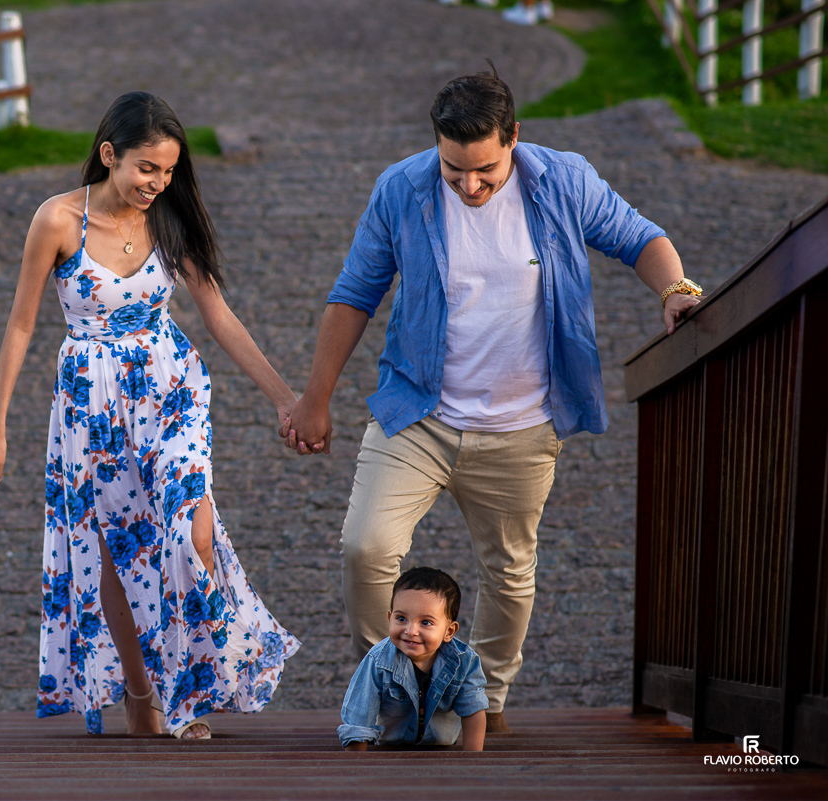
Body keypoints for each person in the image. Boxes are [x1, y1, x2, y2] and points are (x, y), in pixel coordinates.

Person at [283, 66, 702, 733]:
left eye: (485, 170)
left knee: (508, 570)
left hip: (522, 425)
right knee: (365, 545)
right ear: (437, 148)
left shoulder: (563, 180)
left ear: (514, 137)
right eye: (455, 170)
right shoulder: (402, 189)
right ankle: (389, 693)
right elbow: (354, 293)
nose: (470, 185)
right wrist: (315, 398)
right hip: (418, 413)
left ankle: (487, 701)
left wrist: (675, 287)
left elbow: (639, 237)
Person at [0, 91, 301, 740]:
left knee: (190, 533)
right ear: (108, 156)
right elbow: (19, 325)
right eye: (146, 169)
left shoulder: (168, 219)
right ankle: (139, 688)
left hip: (170, 390)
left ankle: (193, 685)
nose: (159, 182)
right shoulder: (58, 221)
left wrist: (285, 397)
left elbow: (216, 313)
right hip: (90, 408)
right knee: (119, 556)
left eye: (169, 171)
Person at [339, 567, 488, 751]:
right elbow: (359, 715)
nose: (410, 631)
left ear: (449, 631)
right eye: (401, 618)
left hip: (442, 749)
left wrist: (472, 759)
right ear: (389, 618)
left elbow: (473, 708)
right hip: (388, 749)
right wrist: (356, 766)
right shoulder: (378, 661)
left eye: (426, 622)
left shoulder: (464, 661)